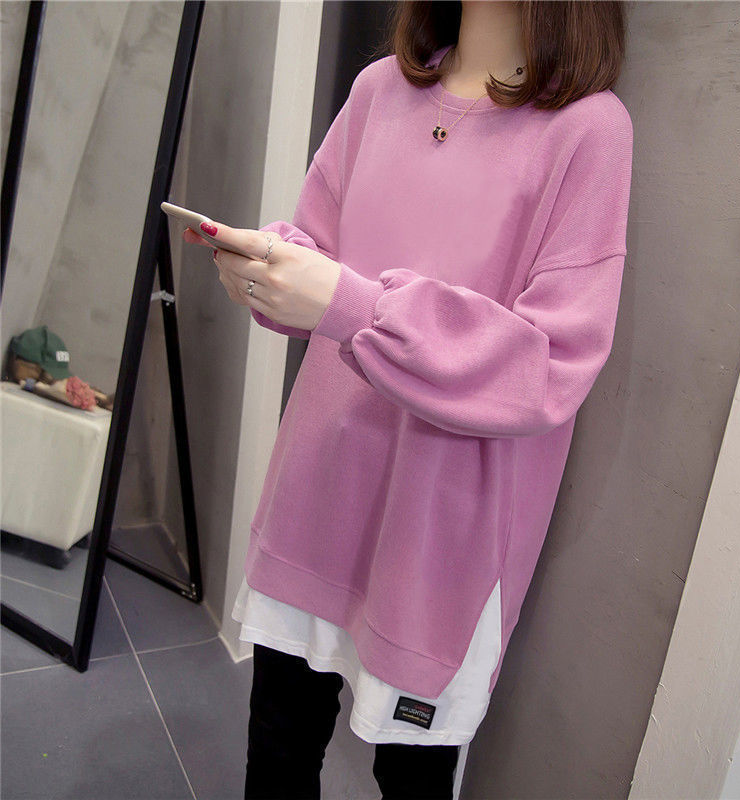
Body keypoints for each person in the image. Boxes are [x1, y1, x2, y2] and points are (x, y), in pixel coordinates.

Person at [183, 1, 632, 797]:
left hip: (442, 537)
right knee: (278, 747)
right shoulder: (378, 90)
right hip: (318, 488)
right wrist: (271, 268)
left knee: (413, 780)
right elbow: (321, 249)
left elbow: (550, 364)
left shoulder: (588, 130)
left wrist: (351, 305)